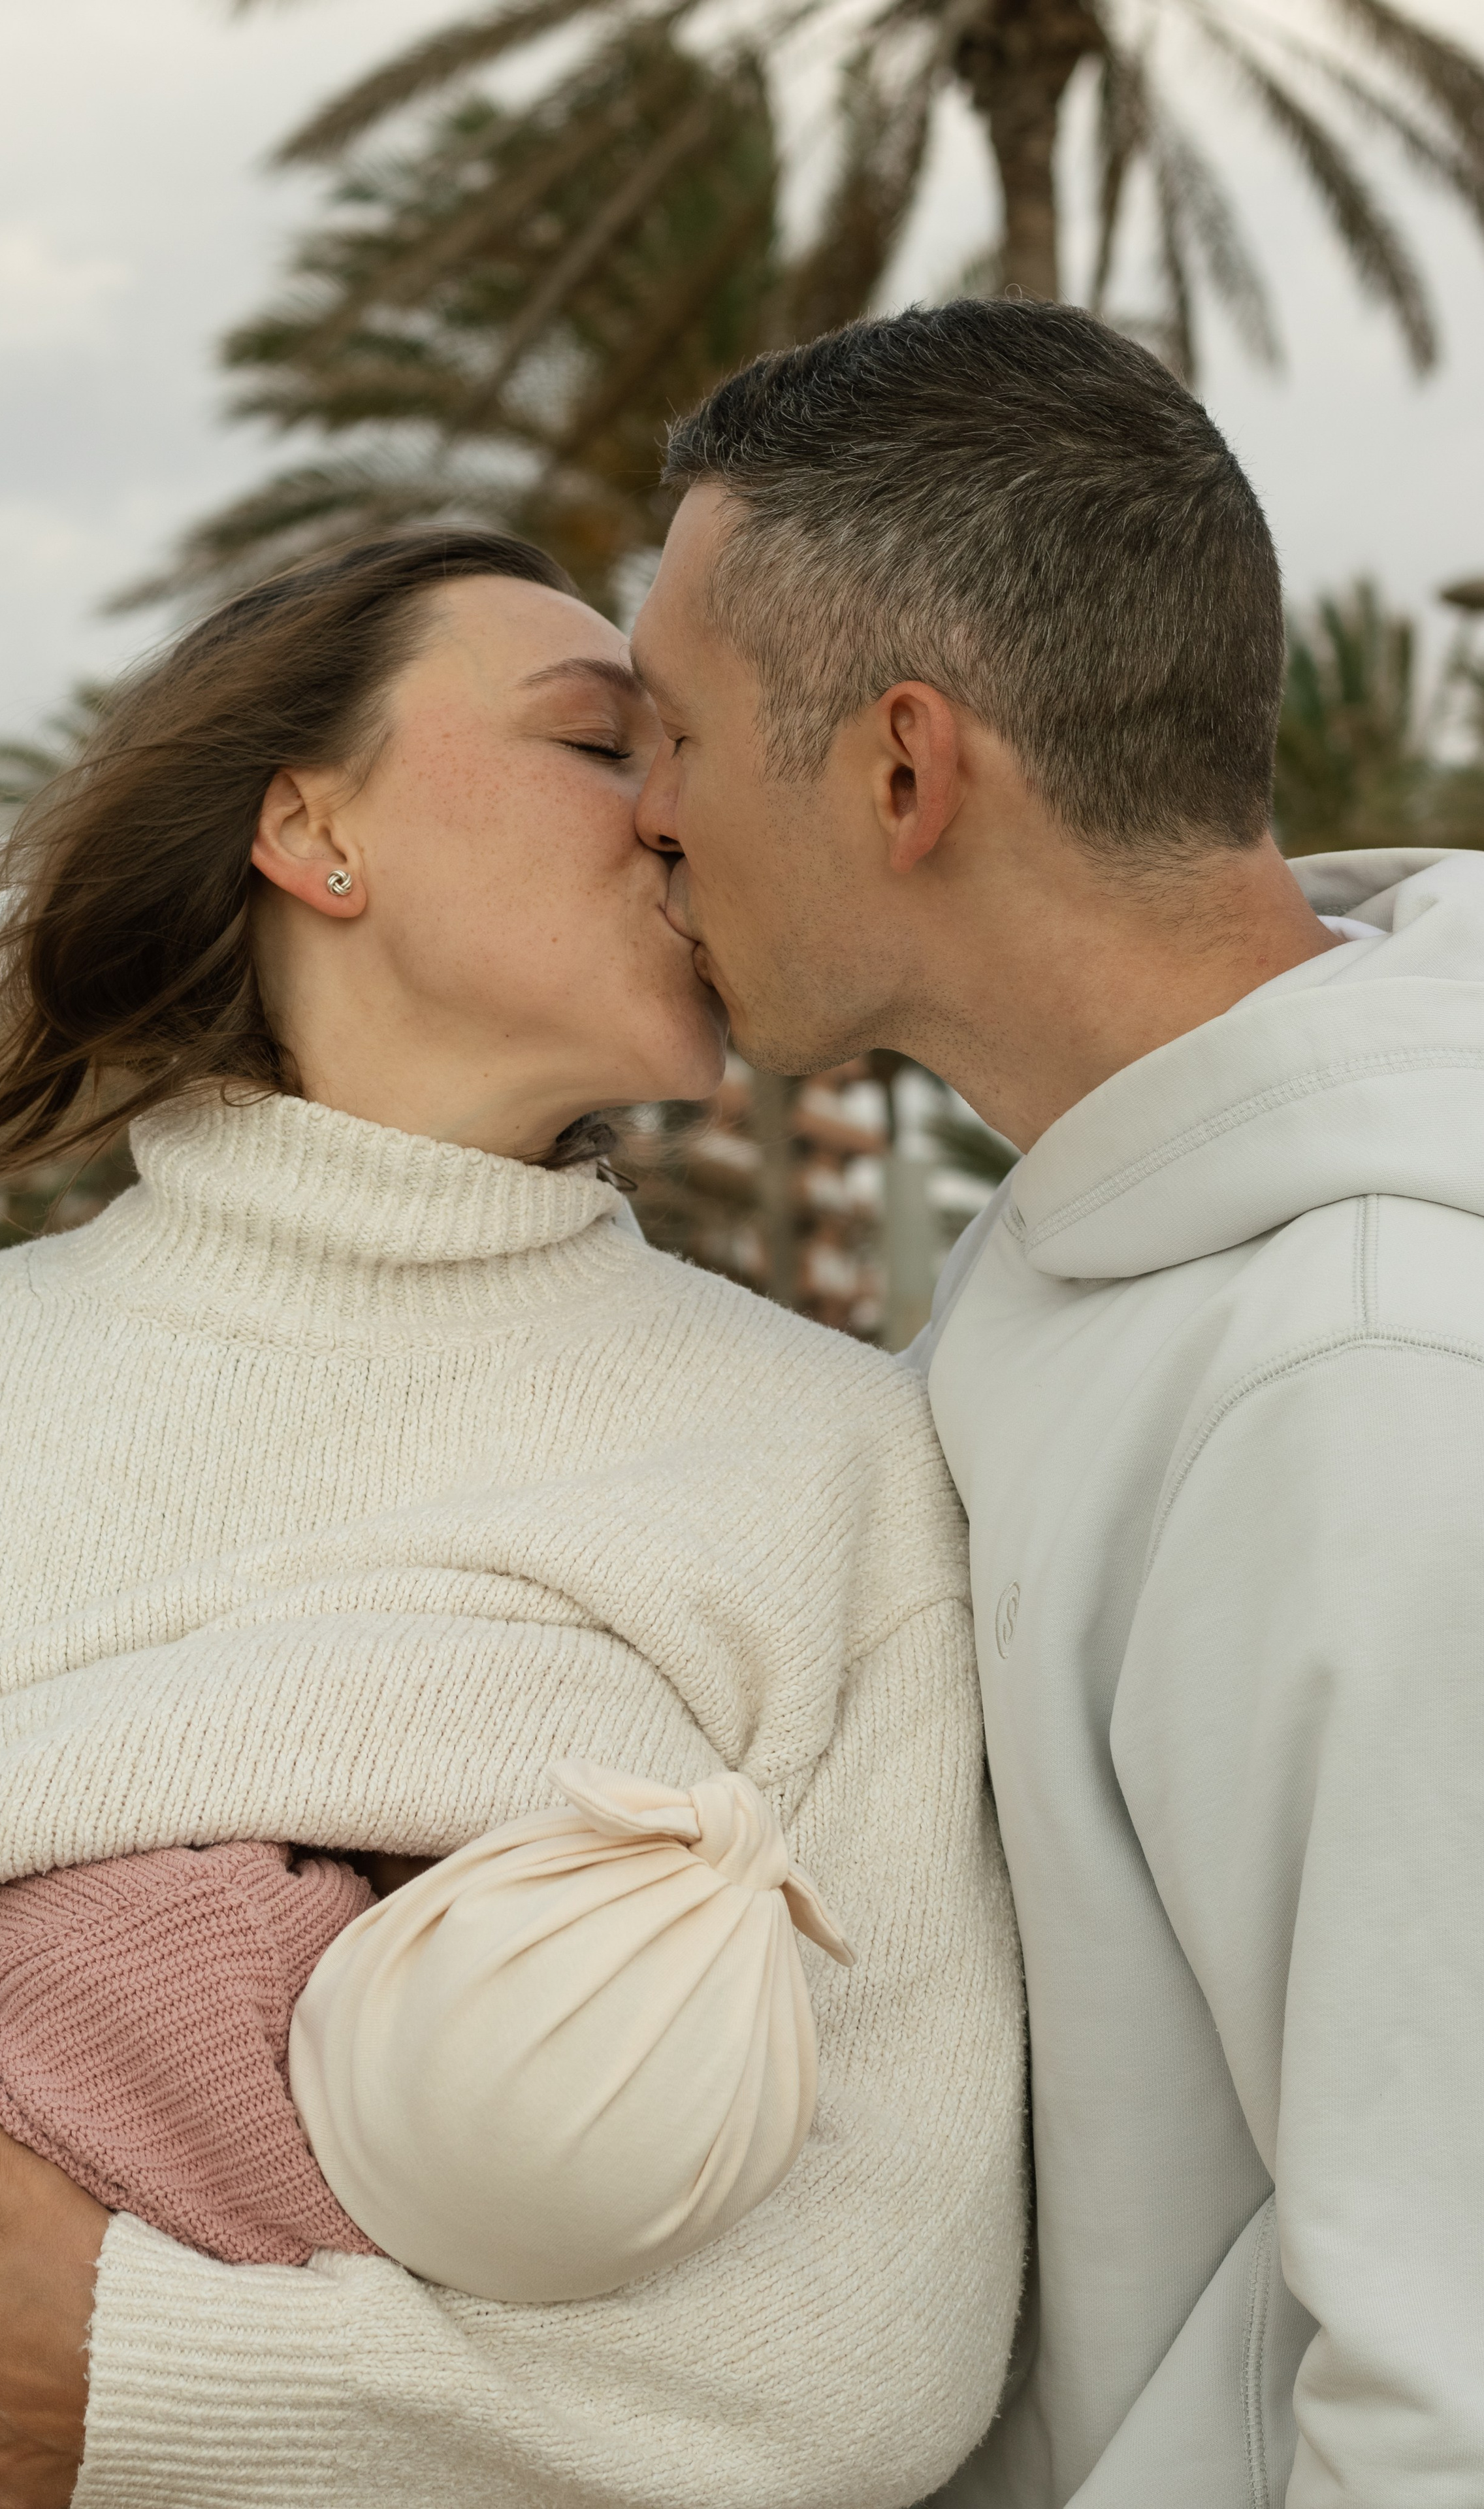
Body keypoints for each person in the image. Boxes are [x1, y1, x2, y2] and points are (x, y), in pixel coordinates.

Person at [0, 529, 1025, 2509]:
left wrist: (150, 2384)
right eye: (596, 739)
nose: (675, 816)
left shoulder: (845, 1465)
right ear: (312, 827)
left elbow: (873, 2344)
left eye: (688, 754)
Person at [630, 297, 1484, 2507]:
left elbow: (1453, 2391)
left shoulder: (1371, 1387)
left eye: (674, 740)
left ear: (905, 771)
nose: (645, 826)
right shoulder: (1104, 1233)